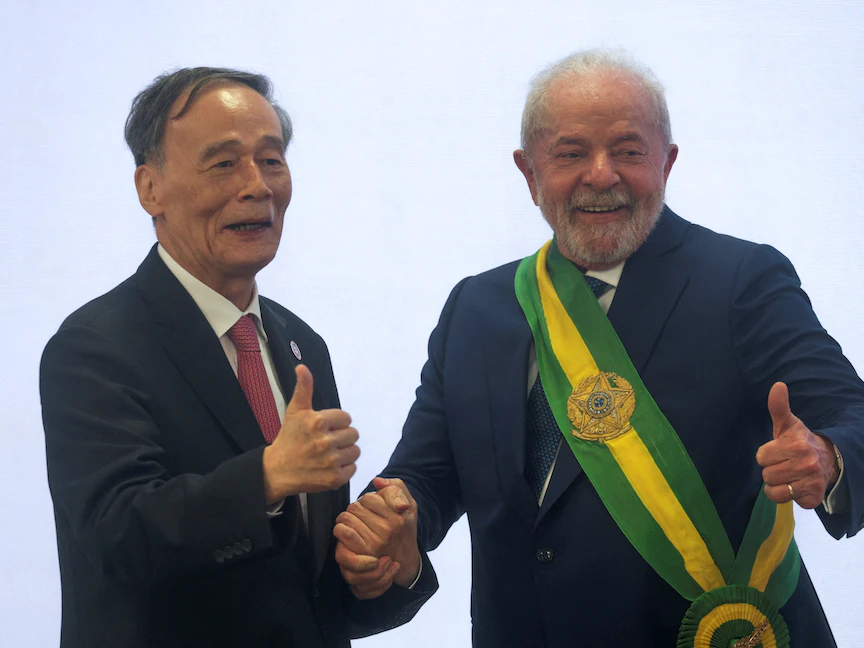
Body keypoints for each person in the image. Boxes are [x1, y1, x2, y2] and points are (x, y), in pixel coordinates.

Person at [333, 50, 864, 647]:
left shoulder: (741, 280)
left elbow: (852, 414)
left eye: (629, 151)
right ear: (529, 172)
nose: (602, 175)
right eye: (571, 154)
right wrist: (393, 519)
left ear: (667, 162)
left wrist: (829, 458)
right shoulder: (475, 308)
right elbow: (427, 477)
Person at [40, 67, 432, 648]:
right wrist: (267, 477)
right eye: (224, 163)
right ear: (150, 188)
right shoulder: (95, 346)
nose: (257, 186)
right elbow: (118, 539)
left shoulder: (300, 344)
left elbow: (305, 588)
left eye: (271, 160)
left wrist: (380, 568)